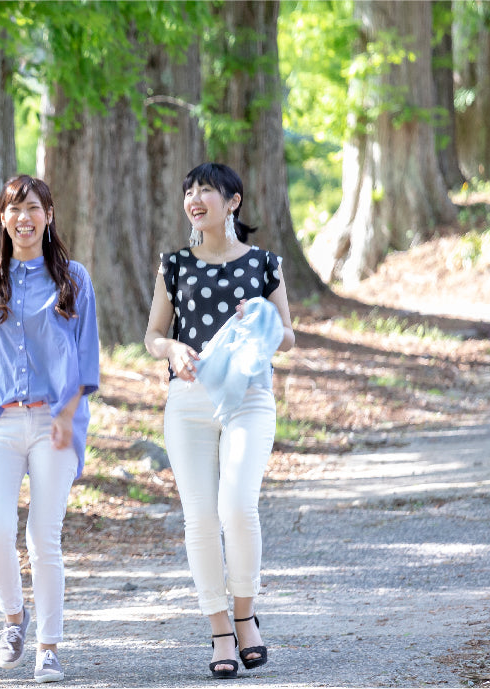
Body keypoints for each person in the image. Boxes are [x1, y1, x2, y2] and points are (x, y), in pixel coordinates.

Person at [142, 162, 295, 678]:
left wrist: (261, 318)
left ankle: (246, 615)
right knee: (200, 518)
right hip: (187, 403)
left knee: (236, 505)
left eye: (207, 189)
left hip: (249, 397)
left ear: (233, 201)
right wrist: (172, 349)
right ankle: (220, 632)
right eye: (189, 190)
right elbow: (153, 335)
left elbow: (289, 336)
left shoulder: (264, 264)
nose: (196, 198)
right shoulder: (174, 265)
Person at [0, 175, 100, 683]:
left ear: (49, 216)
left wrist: (64, 417)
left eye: (33, 207)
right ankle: (14, 619)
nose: (24, 217)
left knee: (43, 536)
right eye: (15, 209)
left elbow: (85, 360)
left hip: (55, 424)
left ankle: (48, 647)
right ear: (2, 220)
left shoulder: (73, 278)